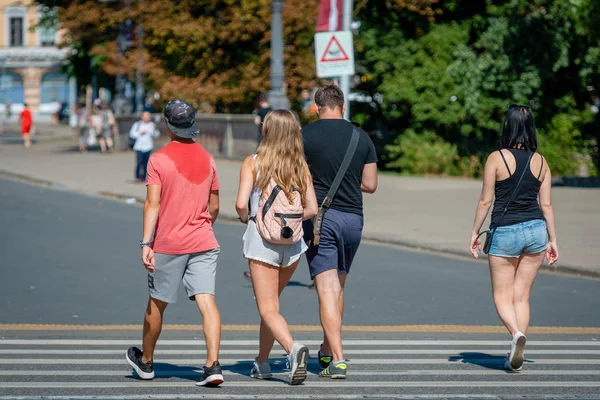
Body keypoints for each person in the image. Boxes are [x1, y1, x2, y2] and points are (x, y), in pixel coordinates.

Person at [125, 99, 224, 387]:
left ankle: (146, 361)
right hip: (203, 239)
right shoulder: (208, 158)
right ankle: (212, 365)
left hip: (168, 242)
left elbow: (152, 203)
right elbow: (215, 205)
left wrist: (146, 242)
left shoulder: (159, 159)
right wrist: (203, 225)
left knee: (157, 304)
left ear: (167, 125)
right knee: (207, 300)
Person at [469, 104, 559, 372]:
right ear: (531, 128)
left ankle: (515, 335)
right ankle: (514, 354)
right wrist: (553, 240)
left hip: (505, 231)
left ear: (507, 126)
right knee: (522, 297)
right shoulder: (541, 162)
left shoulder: (496, 158)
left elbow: (486, 200)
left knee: (501, 296)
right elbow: (547, 206)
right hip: (536, 231)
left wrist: (475, 232)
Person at [235, 109, 318, 385]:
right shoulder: (300, 166)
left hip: (262, 242)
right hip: (293, 245)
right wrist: (289, 220)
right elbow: (312, 208)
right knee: (272, 307)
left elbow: (240, 204)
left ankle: (293, 349)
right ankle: (262, 362)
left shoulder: (253, 162)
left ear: (267, 131)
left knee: (267, 308)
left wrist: (251, 217)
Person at [302, 85, 378, 379]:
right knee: (338, 288)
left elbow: (297, 176)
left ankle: (339, 359)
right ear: (342, 106)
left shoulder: (305, 136)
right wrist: (347, 180)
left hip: (322, 220)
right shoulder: (361, 136)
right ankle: (325, 349)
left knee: (326, 289)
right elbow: (370, 184)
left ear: (317, 107)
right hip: (353, 220)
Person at [129, 112, 161, 182]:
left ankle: (144, 177)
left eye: (148, 116)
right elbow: (132, 134)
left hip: (148, 146)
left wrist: (155, 129)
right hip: (139, 146)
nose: (147, 118)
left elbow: (157, 135)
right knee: (139, 162)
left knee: (146, 163)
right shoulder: (137, 124)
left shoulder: (151, 125)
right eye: (145, 116)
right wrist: (139, 133)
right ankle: (138, 177)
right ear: (142, 117)